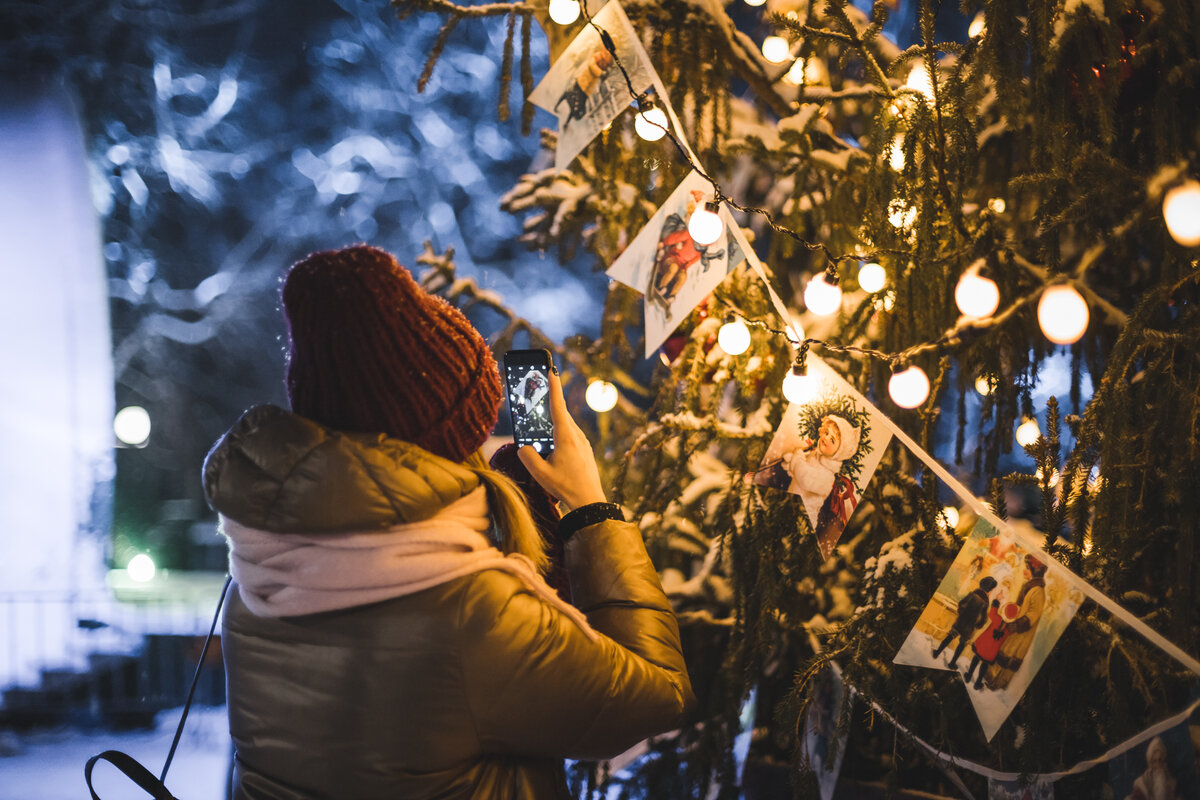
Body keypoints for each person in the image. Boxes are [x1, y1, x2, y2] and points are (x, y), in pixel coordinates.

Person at [203, 245, 695, 799]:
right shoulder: (472, 610)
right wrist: (591, 508)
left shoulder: (263, 577)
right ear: (441, 436)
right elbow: (658, 696)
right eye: (473, 429)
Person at [986, 555, 1048, 691]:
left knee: (1010, 656)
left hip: (1022, 633)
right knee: (1005, 652)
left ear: (1034, 570)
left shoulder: (1038, 591)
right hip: (1015, 629)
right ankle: (991, 678)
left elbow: (1033, 614)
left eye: (1027, 568)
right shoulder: (1030, 587)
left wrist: (1017, 624)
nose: (1024, 571)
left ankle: (1000, 683)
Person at [932, 575, 997, 669]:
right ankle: (952, 663)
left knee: (950, 636)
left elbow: (961, 603)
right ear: (989, 590)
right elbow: (983, 619)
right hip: (969, 628)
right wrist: (978, 625)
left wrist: (961, 614)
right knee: (961, 645)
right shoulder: (986, 603)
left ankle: (937, 652)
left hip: (961, 621)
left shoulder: (972, 594)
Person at [964, 597, 1010, 689]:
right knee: (984, 665)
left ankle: (969, 675)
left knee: (976, 658)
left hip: (982, 646)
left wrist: (996, 603)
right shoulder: (1008, 630)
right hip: (991, 653)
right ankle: (978, 683)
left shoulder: (996, 618)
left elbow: (993, 611)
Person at [1125, 736, 1181, 800]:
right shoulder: (1143, 782)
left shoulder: (1170, 782)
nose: (1158, 764)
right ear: (1150, 763)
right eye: (1155, 761)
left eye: (1160, 760)